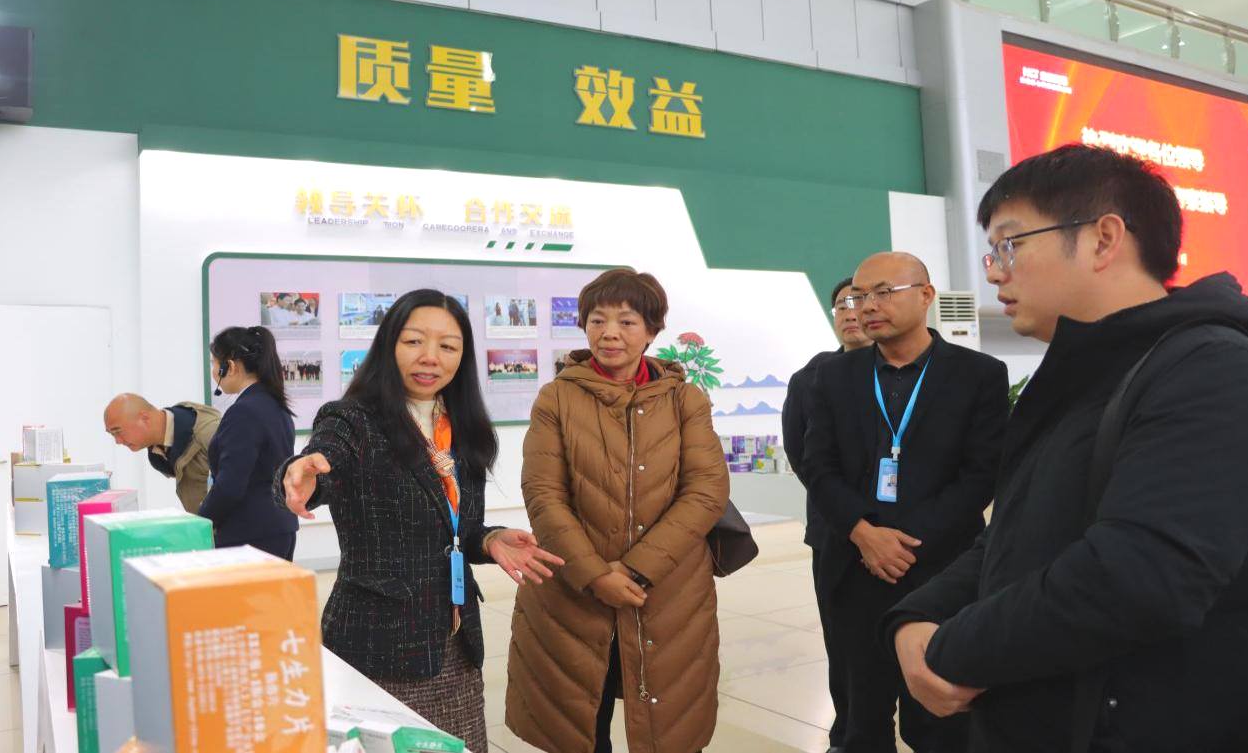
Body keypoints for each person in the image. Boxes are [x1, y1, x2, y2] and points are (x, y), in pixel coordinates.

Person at [885, 144, 1248, 753]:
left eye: (1010, 244)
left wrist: (949, 648)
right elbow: (1016, 535)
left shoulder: (1217, 371)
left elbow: (1139, 579)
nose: (994, 272)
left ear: (1104, 239)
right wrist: (914, 618)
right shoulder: (1090, 375)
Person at [277, 289, 563, 750]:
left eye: (447, 346)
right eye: (414, 341)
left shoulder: (464, 425)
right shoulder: (353, 420)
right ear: (389, 346)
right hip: (380, 644)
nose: (430, 357)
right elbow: (324, 457)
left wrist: (488, 539)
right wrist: (300, 473)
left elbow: (459, 528)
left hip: (454, 641)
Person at [505, 268, 730, 753]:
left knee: (667, 723)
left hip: (668, 589)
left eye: (627, 322)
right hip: (572, 588)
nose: (610, 333)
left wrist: (634, 569)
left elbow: (707, 490)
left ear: (651, 331)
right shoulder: (557, 396)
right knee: (580, 723)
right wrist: (594, 574)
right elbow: (543, 492)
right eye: (598, 320)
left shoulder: (685, 399)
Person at [803, 252, 1007, 753]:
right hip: (855, 566)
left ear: (926, 295)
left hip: (942, 568)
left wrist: (904, 542)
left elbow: (981, 474)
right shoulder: (833, 376)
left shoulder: (979, 374)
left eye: (883, 293)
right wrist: (864, 533)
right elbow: (818, 466)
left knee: (939, 720)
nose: (868, 306)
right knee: (860, 718)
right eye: (859, 296)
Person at [780, 275, 874, 752]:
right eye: (841, 304)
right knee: (843, 639)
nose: (850, 312)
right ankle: (848, 732)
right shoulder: (810, 378)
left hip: (910, 534)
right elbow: (802, 456)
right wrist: (850, 519)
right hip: (836, 532)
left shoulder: (913, 374)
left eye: (860, 301)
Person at [199, 326, 300, 560]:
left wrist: (201, 522)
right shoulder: (276, 404)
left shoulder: (243, 411)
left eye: (214, 363)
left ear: (230, 367)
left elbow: (230, 484)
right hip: (278, 527)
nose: (213, 371)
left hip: (248, 534)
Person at [104, 393, 220, 513]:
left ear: (145, 418)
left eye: (118, 431)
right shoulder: (158, 450)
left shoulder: (211, 434)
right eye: (112, 434)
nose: (117, 441)